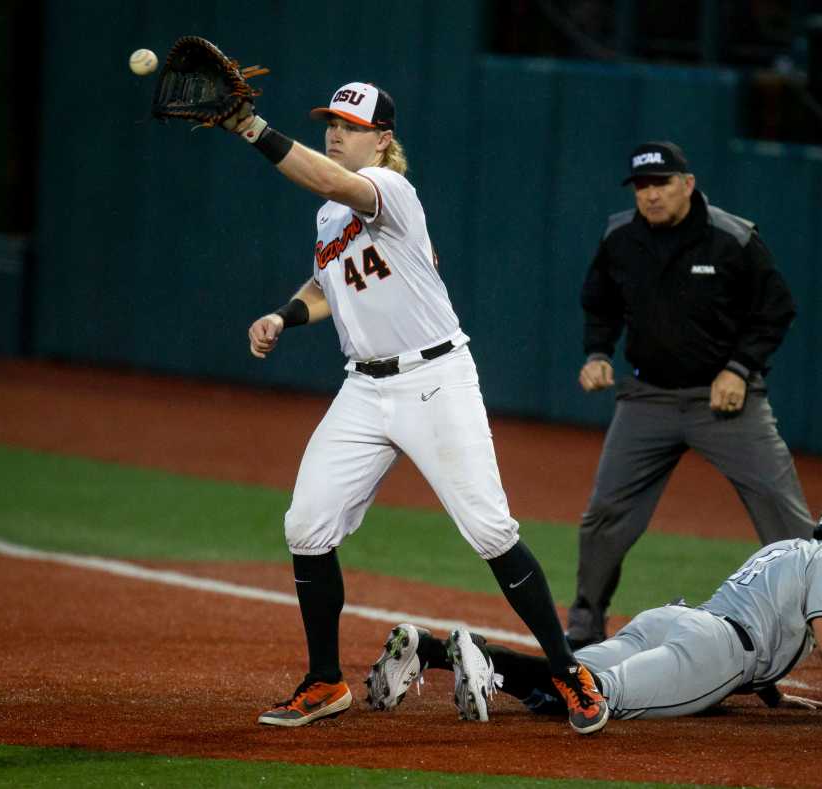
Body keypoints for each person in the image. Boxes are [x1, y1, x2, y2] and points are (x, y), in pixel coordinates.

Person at [221, 82, 607, 734]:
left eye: (350, 124)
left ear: (383, 139)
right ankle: (325, 679)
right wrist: (284, 315)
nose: (336, 134)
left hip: (434, 379)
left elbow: (329, 180)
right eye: (330, 123)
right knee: (306, 524)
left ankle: (570, 671)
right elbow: (329, 283)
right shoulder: (330, 217)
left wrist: (252, 128)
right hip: (365, 388)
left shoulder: (388, 191)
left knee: (490, 529)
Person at [566, 140, 822, 660]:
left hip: (727, 402)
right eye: (642, 186)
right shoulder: (620, 236)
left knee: (786, 515)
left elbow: (776, 309)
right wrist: (598, 352)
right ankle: (583, 625)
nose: (651, 196)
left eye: (662, 183)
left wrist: (739, 368)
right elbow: (600, 302)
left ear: (688, 184)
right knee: (604, 516)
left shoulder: (732, 238)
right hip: (649, 399)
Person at [367, 491, 822, 726]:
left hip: (670, 622)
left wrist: (774, 695)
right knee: (592, 698)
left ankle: (438, 651)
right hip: (713, 651)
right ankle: (477, 659)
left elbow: (763, 616)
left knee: (567, 682)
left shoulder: (789, 549)